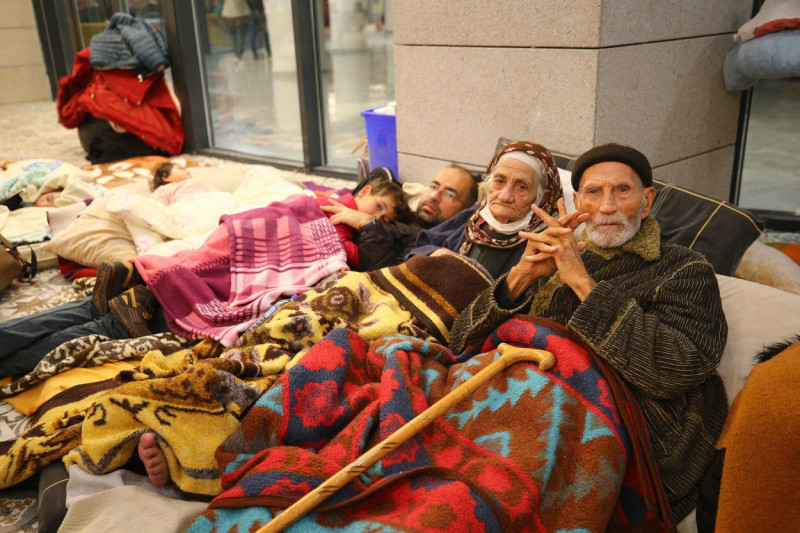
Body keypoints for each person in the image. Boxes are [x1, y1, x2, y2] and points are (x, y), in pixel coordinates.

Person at [448, 142, 728, 523]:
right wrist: (521, 278)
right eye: (594, 193)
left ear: (647, 202)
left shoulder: (683, 268)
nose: (607, 207)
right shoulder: (556, 255)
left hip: (604, 428)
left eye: (622, 191)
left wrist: (582, 281)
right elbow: (458, 343)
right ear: (577, 201)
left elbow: (675, 369)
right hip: (509, 410)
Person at [409, 140, 564, 279]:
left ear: (543, 197)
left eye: (521, 187)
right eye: (499, 181)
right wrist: (435, 253)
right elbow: (422, 245)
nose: (505, 196)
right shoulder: (477, 215)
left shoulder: (544, 243)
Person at [322, 164, 478, 271]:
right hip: (324, 227)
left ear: (463, 211)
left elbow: (384, 277)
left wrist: (369, 225)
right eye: (434, 187)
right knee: (381, 173)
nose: (435, 196)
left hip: (336, 262)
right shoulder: (401, 210)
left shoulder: (425, 241)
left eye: (449, 194)